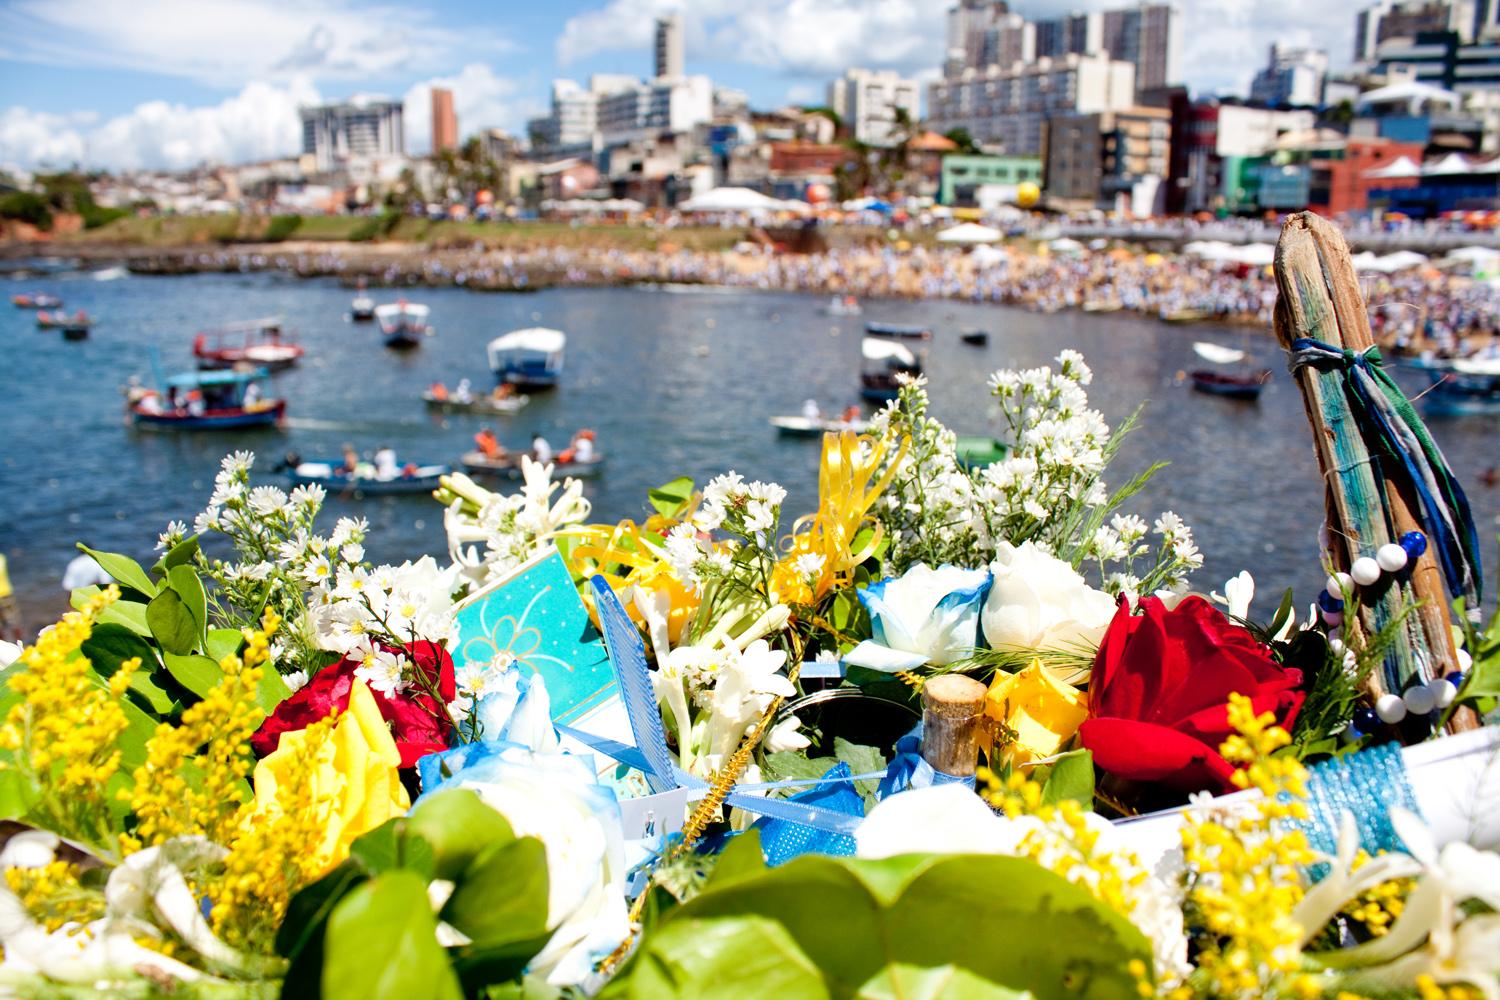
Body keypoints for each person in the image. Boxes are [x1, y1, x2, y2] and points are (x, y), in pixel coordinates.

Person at [0, 554, 21, 642]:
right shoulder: (2, 557)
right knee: (14, 622)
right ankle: (20, 644)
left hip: (5, 596)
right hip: (6, 594)